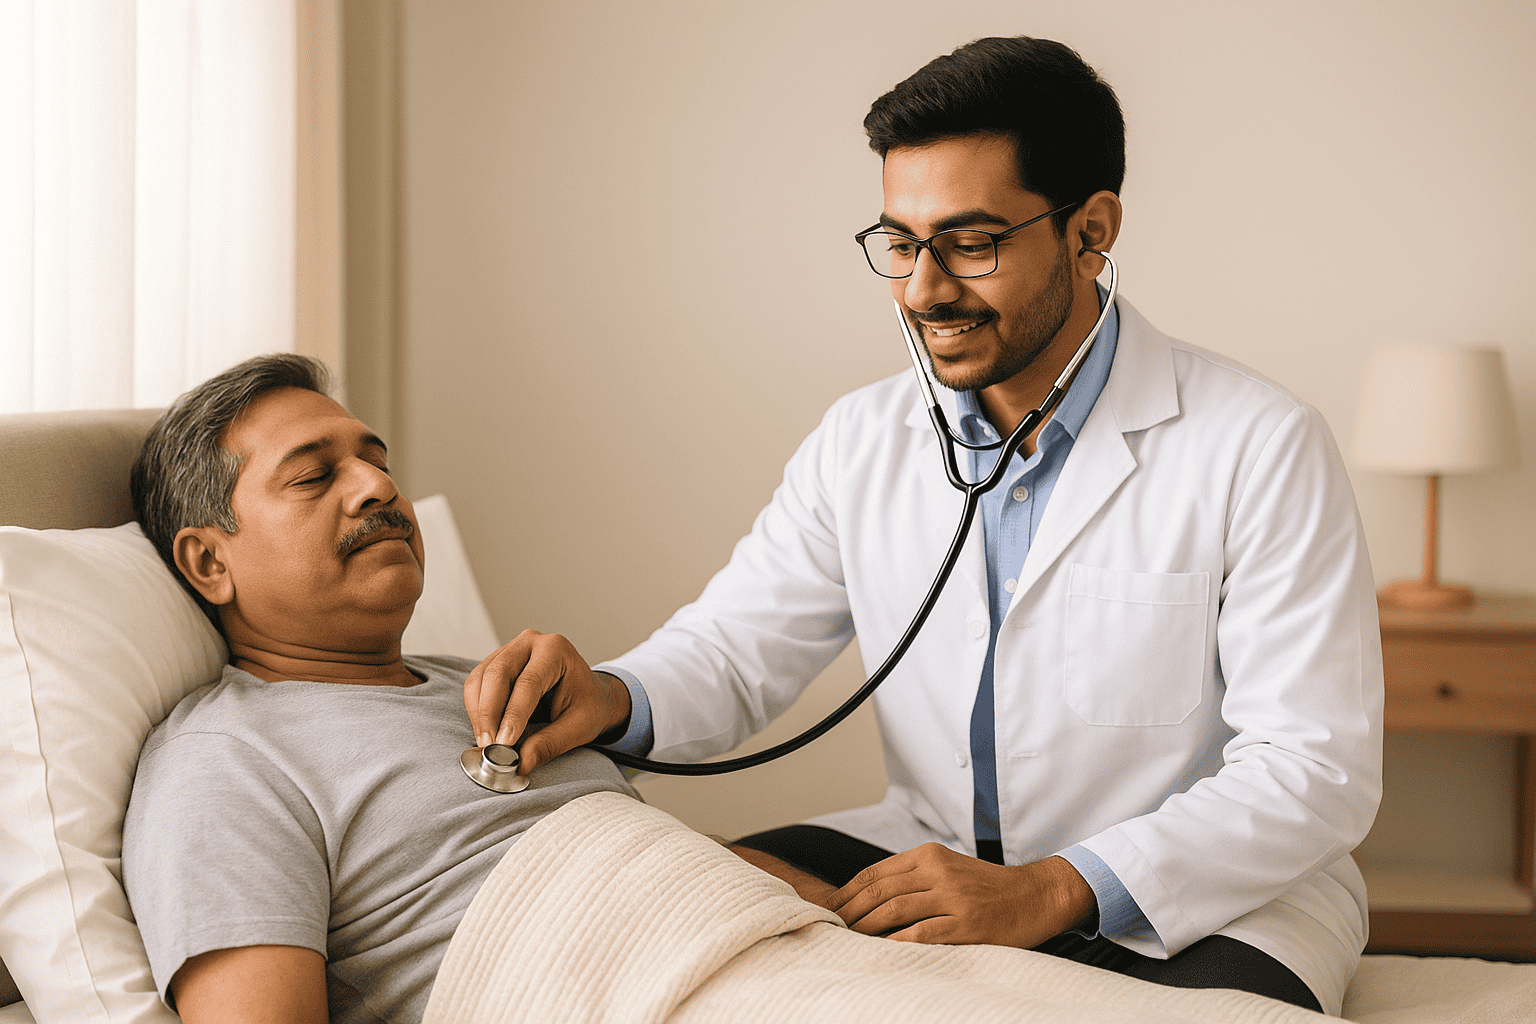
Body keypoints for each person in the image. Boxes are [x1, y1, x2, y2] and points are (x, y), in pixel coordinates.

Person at [465, 36, 1383, 1016]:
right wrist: (608, 695)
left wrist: (1050, 890)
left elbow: (1314, 767)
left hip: (1199, 896)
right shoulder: (862, 438)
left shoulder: (1259, 444)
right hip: (930, 857)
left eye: (971, 242)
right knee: (670, 900)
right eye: (901, 243)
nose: (922, 290)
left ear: (1091, 231)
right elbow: (735, 652)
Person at [121, 355, 828, 1024]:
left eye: (378, 462)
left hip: (805, 959)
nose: (377, 487)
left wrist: (844, 907)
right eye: (313, 476)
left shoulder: (488, 684)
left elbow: (652, 863)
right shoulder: (221, 762)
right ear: (209, 561)